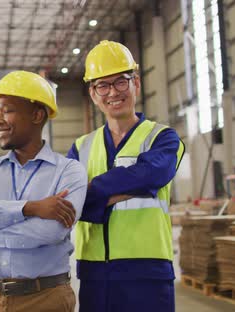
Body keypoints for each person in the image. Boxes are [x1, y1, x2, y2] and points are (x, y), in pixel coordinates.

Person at [0, 70, 88, 312]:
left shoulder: (69, 171)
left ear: (37, 115)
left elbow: (50, 231)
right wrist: (31, 208)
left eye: (7, 111)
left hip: (44, 300)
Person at [68, 40, 185, 312]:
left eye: (121, 81)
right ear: (93, 93)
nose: (113, 92)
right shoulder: (80, 146)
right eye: (103, 85)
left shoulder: (163, 138)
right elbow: (69, 202)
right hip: (95, 274)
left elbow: (153, 173)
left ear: (136, 84)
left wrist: (93, 189)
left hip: (148, 272)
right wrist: (131, 187)